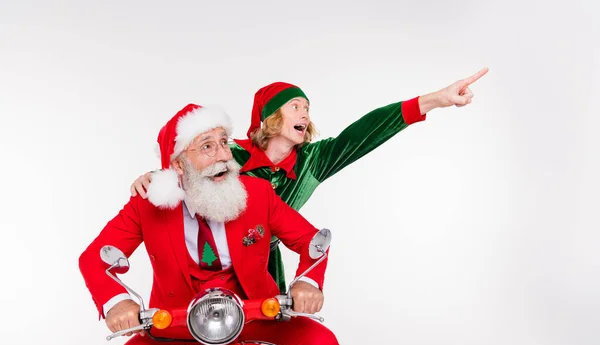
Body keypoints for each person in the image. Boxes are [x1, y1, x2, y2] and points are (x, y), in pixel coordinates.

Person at [130, 68, 489, 291]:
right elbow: (189, 161)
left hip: (262, 268)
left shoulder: (314, 161)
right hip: (207, 268)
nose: (305, 112)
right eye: (296, 106)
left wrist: (435, 100)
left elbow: (363, 132)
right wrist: (155, 177)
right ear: (272, 116)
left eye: (307, 108)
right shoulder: (231, 153)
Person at [79, 104, 338, 345]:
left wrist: (308, 282)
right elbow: (94, 259)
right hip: (176, 327)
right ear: (178, 164)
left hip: (255, 318)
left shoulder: (259, 194)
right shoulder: (146, 205)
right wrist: (118, 302)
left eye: (224, 143)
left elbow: (310, 239)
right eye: (207, 147)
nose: (225, 156)